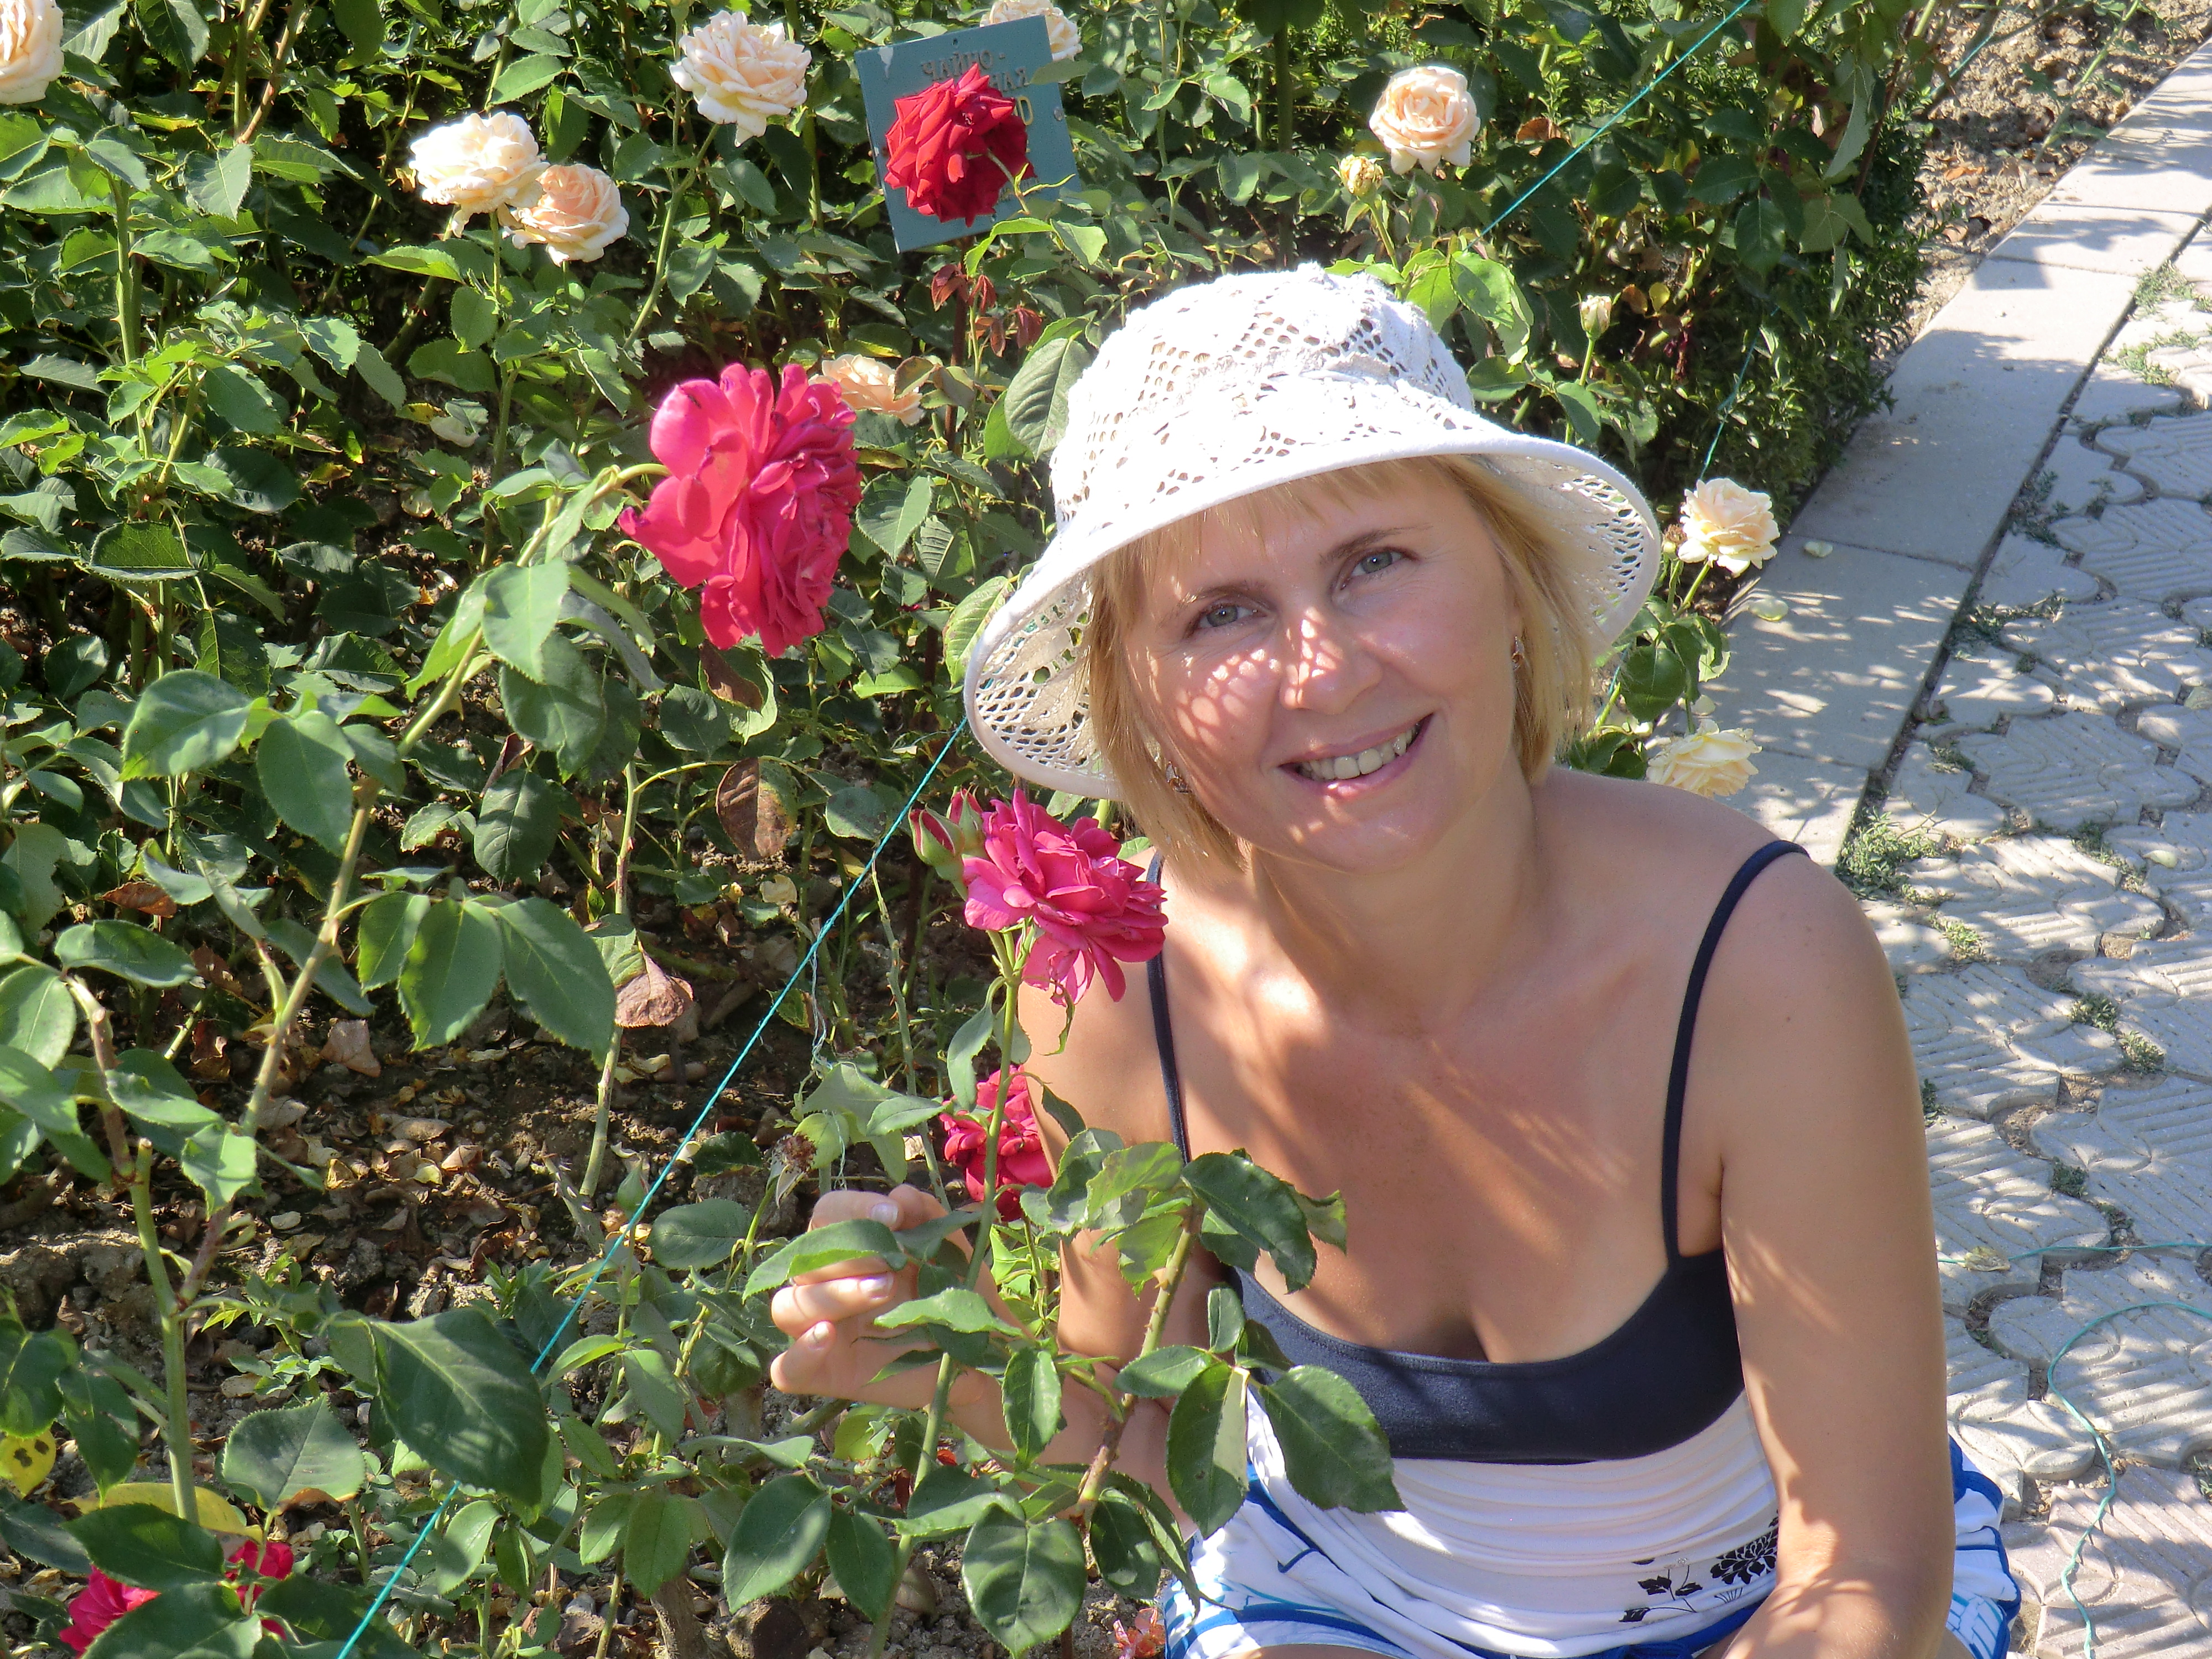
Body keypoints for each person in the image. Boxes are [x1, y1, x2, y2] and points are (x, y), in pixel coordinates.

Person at [768, 267, 2019, 1659]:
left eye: (1373, 562)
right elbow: (1135, 1441)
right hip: (1334, 1604)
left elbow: (1865, 1566)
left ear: (1507, 581)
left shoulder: (1752, 962)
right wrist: (936, 1355)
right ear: (1141, 700)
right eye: (1219, 614)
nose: (1322, 672)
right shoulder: (1124, 999)